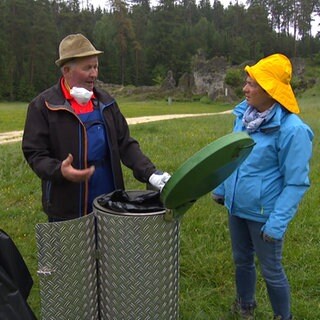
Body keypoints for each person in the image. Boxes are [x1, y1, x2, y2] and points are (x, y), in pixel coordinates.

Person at [22, 33, 170, 222]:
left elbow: (125, 144)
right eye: (88, 68)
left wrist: (150, 173)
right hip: (67, 204)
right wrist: (59, 170)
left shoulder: (106, 102)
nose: (94, 74)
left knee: (109, 250)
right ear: (66, 70)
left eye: (96, 66)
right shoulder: (43, 105)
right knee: (73, 252)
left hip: (109, 200)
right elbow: (35, 153)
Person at [212, 53, 313, 320]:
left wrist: (277, 223)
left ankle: (284, 316)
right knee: (241, 260)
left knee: (271, 270)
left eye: (252, 84)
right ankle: (246, 306)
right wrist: (223, 189)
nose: (245, 88)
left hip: (265, 214)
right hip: (237, 207)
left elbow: (296, 182)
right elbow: (232, 155)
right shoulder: (244, 117)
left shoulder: (292, 130)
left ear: (271, 90)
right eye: (246, 82)